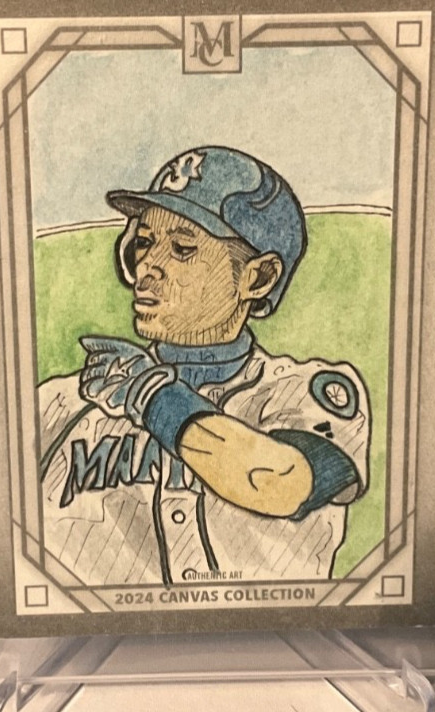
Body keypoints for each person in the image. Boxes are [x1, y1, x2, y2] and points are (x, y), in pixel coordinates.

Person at [39, 146, 370, 587]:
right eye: (144, 242)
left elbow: (278, 483)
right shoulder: (61, 405)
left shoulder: (302, 392)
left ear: (258, 278)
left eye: (182, 248)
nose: (148, 267)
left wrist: (153, 398)